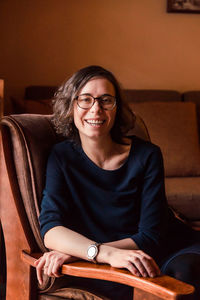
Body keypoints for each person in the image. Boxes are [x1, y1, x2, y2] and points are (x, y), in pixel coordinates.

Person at [35, 65, 200, 300]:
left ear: (117, 107)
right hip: (120, 261)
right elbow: (51, 231)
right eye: (85, 99)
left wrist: (84, 253)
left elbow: (150, 237)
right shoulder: (60, 157)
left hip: (170, 248)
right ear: (71, 106)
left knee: (184, 273)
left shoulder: (147, 155)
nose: (96, 109)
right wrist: (104, 255)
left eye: (106, 100)